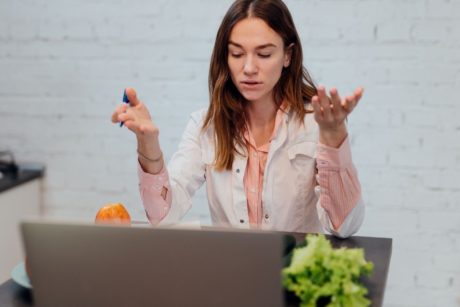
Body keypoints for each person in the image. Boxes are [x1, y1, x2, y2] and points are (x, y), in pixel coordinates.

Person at [111, 0, 364, 238]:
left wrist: (333, 139)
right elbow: (163, 215)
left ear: (288, 56)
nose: (249, 68)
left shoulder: (314, 123)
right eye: (237, 53)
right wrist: (149, 145)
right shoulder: (205, 126)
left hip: (297, 278)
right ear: (225, 56)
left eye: (264, 54)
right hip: (231, 275)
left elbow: (344, 227)